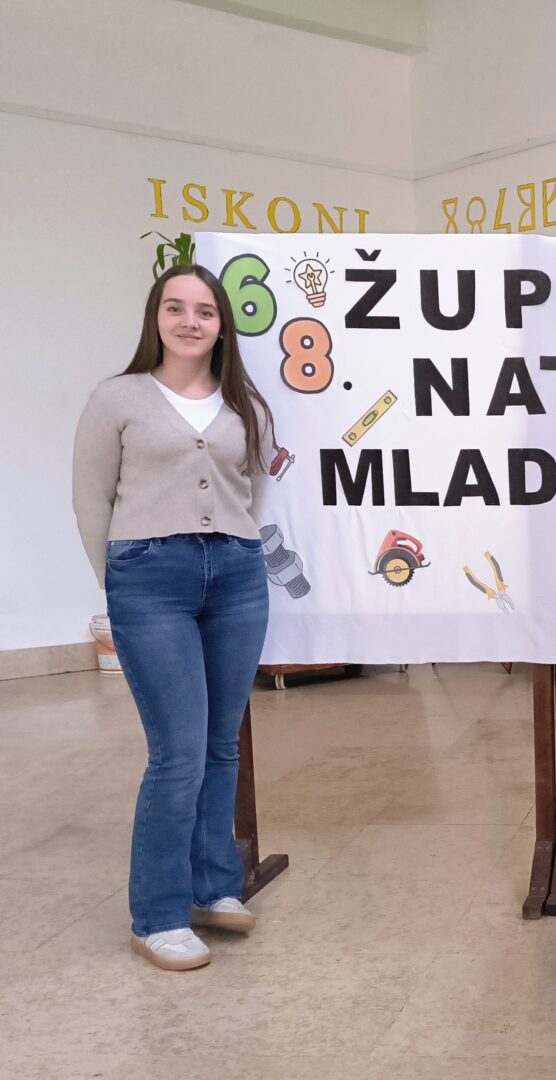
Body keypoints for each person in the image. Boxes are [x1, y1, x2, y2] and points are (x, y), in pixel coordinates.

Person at [73, 265, 274, 970]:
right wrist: (121, 583)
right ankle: (157, 915)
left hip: (238, 575)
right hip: (149, 579)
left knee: (222, 746)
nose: (190, 321)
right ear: (155, 318)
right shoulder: (117, 397)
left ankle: (212, 888)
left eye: (205, 311)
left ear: (222, 325)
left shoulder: (244, 403)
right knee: (178, 753)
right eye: (175, 308)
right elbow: (91, 499)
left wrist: (236, 545)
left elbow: (254, 489)